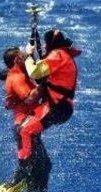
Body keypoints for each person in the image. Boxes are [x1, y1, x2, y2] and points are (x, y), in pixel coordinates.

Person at [0, 47, 54, 192]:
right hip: (24, 128)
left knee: (44, 165)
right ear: (16, 60)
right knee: (34, 169)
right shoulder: (17, 78)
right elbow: (30, 99)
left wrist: (35, 51)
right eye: (22, 55)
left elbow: (34, 66)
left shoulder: (21, 73)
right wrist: (44, 84)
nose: (25, 56)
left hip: (29, 126)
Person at [17, 28, 81, 164]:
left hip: (57, 107)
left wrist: (28, 55)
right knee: (26, 129)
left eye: (46, 43)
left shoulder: (58, 55)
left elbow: (34, 72)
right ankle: (41, 164)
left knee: (25, 131)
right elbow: (42, 78)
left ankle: (24, 169)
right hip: (56, 105)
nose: (45, 46)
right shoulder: (62, 55)